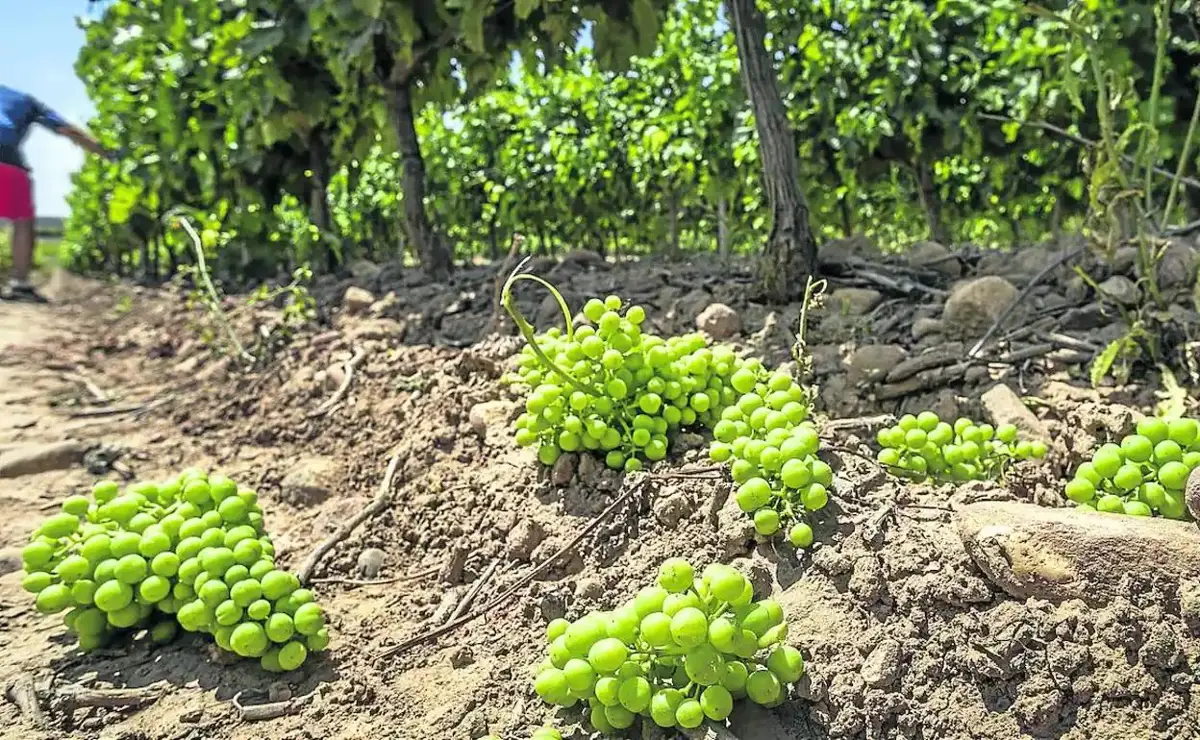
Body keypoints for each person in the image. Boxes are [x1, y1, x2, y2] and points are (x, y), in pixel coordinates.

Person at [1, 85, 113, 302]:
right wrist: (106, 152)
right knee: (22, 221)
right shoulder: (26, 100)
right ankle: (20, 285)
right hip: (4, 154)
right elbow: (66, 129)